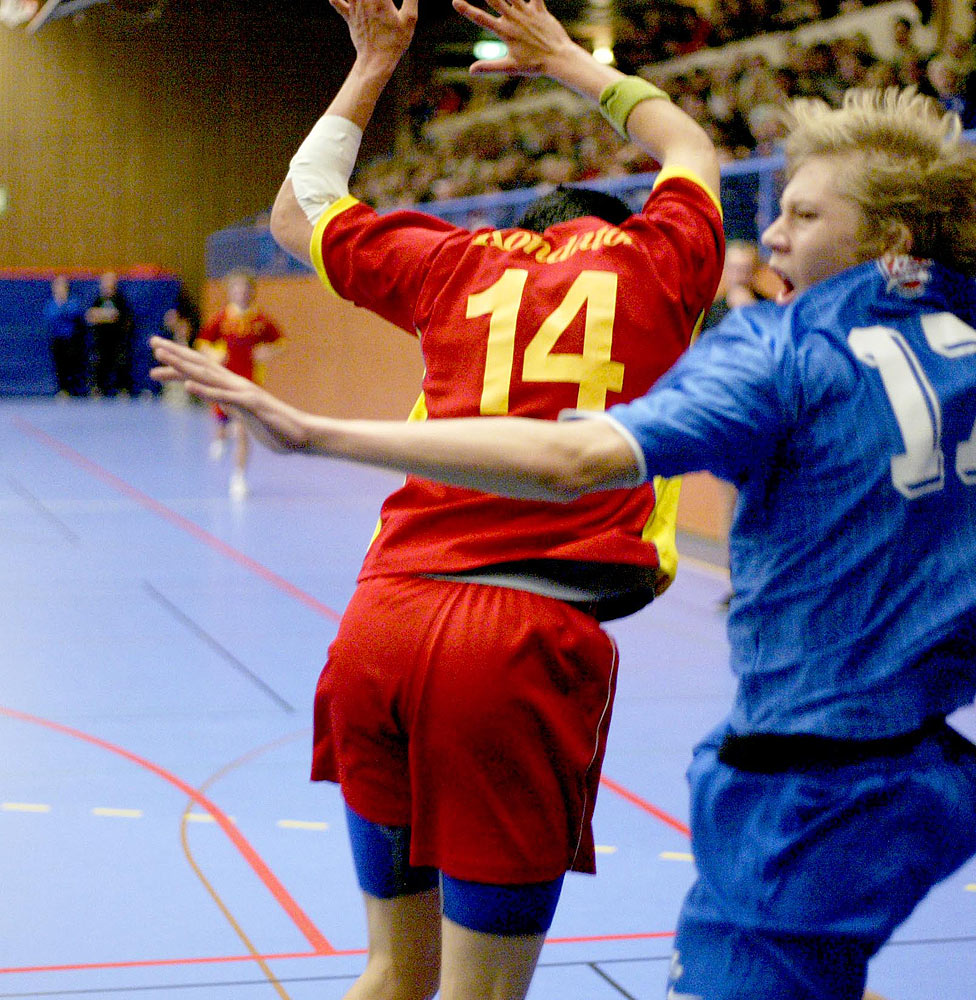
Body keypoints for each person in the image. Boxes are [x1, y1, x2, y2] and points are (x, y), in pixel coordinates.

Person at [153, 88, 976, 1000]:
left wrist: (313, 432)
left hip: (786, 789)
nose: (773, 227)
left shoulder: (780, 359)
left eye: (804, 212)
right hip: (926, 781)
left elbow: (571, 456)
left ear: (889, 234)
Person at [244, 0, 719, 997]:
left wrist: (374, 61)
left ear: (521, 232)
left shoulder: (459, 261)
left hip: (383, 619)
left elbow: (297, 211)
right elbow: (686, 140)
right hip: (518, 642)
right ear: (622, 233)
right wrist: (568, 63)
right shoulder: (661, 265)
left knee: (390, 973)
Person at [195, 268, 286, 499]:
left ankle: (238, 477)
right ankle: (220, 437)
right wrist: (212, 354)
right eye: (236, 289)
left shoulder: (260, 320)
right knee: (223, 422)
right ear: (230, 292)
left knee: (243, 430)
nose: (241, 293)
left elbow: (281, 342)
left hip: (250, 383)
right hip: (224, 382)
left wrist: (268, 351)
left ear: (252, 292)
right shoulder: (221, 318)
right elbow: (202, 342)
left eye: (245, 289)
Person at [84, 270, 135, 397]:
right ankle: (99, 388)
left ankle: (122, 389)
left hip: (117, 339)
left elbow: (118, 316)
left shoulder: (120, 299)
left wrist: (102, 315)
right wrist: (105, 315)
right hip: (101, 339)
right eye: (106, 281)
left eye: (111, 281)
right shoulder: (98, 299)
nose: (108, 284)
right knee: (99, 363)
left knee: (120, 362)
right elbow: (90, 315)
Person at [43, 274, 87, 397]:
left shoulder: (73, 301)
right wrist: (61, 308)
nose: (61, 288)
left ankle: (76, 389)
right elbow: (51, 316)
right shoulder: (51, 304)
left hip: (72, 340)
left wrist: (63, 307)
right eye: (58, 285)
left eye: (63, 285)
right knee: (60, 365)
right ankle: (63, 390)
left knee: (74, 365)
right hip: (58, 339)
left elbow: (74, 313)